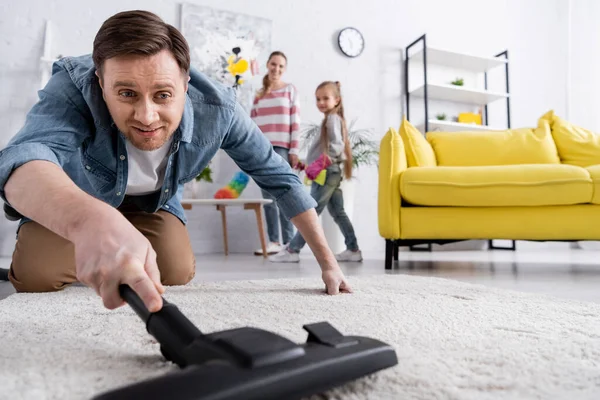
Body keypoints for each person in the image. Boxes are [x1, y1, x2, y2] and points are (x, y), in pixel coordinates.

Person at [0, 10, 352, 313]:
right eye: (126, 94)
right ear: (100, 82)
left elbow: (280, 179)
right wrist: (90, 222)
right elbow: (24, 157)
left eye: (163, 95)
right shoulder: (74, 85)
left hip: (152, 205)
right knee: (37, 276)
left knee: (175, 271)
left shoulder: (220, 109)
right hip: (81, 198)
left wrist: (328, 263)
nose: (146, 116)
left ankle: (118, 247)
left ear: (185, 84)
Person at [270, 81, 363, 263]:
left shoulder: (332, 119)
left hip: (327, 172)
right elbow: (326, 150)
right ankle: (353, 249)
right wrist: (308, 164)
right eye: (318, 99)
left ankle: (293, 250)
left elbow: (336, 146)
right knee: (338, 212)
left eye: (325, 98)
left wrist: (319, 164)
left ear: (337, 100)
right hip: (329, 172)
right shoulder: (330, 119)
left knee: (310, 210)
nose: (321, 102)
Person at [250, 51, 299, 255]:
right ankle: (273, 242)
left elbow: (295, 121)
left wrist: (294, 149)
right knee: (268, 199)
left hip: (282, 148)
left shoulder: (290, 90)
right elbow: (251, 126)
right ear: (267, 65)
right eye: (273, 64)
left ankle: (289, 242)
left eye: (281, 66)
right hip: (261, 149)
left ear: (284, 69)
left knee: (284, 196)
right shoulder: (259, 94)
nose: (276, 69)